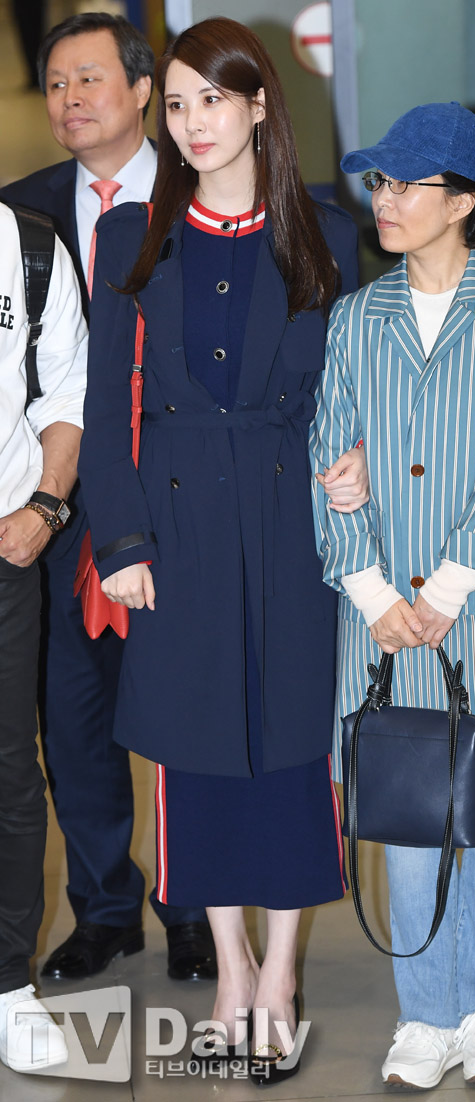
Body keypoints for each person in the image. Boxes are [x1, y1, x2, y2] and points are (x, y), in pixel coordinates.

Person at [77, 16, 359, 1083]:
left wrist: (360, 463)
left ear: (257, 106)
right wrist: (122, 540)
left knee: (291, 750)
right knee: (192, 754)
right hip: (179, 522)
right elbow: (105, 408)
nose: (194, 122)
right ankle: (230, 967)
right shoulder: (133, 237)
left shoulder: (325, 233)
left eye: (214, 100)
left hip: (293, 524)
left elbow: (349, 391)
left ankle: (280, 973)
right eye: (180, 102)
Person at [311, 102, 475, 1089]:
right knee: (407, 807)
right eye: (378, 182)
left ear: (461, 201)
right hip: (383, 608)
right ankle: (424, 1012)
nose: (383, 200)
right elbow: (326, 456)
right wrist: (373, 591)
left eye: (403, 184)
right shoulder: (356, 317)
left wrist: (452, 583)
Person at [1, 12, 217, 982]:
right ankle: (104, 907)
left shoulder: (203, 193)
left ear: (141, 91)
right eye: (55, 83)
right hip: (50, 508)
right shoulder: (22, 214)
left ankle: (192, 905)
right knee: (70, 716)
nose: (70, 99)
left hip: (171, 498)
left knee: (178, 707)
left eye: (89, 78)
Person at [0, 199, 86, 1071]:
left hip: (3, 548)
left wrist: (46, 506)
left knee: (7, 773)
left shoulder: (26, 247)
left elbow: (66, 388)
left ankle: (6, 986)